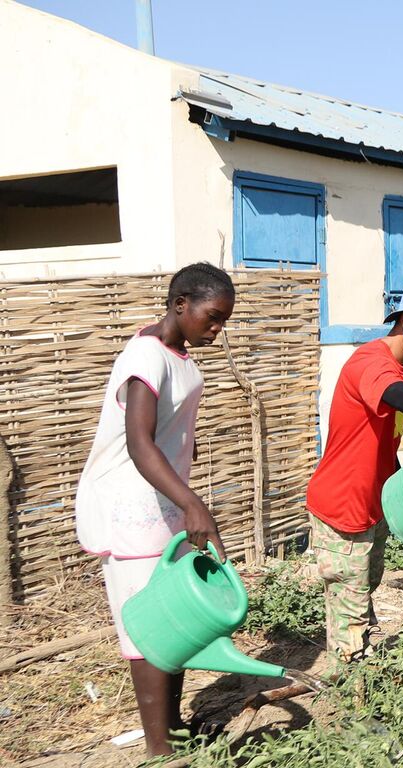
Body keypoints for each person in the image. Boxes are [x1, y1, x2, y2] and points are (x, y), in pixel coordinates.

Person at [75, 264, 235, 756]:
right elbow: (140, 443)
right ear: (180, 304)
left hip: (161, 502)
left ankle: (174, 730)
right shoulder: (145, 356)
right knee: (146, 625)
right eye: (211, 317)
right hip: (130, 506)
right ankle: (159, 750)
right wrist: (195, 504)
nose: (217, 329)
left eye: (224, 320)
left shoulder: (179, 355)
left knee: (173, 617)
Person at [306, 282, 403, 667]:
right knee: (350, 606)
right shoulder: (371, 362)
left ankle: (361, 660)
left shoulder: (402, 365)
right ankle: (352, 697)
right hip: (343, 505)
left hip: (372, 502)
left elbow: (384, 432)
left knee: (364, 587)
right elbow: (397, 396)